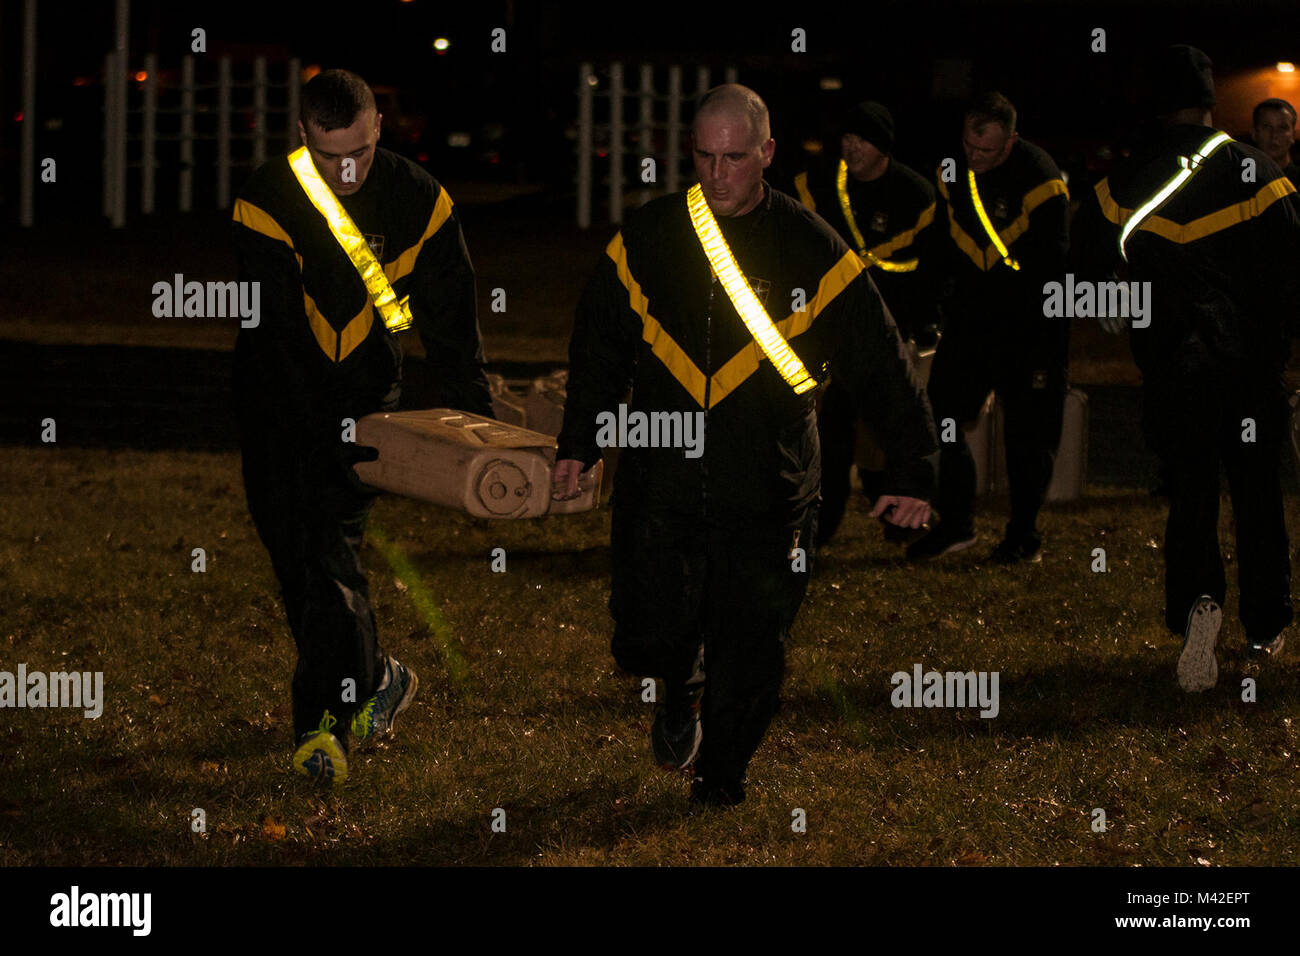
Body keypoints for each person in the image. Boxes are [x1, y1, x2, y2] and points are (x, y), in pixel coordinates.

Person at [552, 84, 937, 807]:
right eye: (704, 155)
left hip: (770, 484)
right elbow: (599, 346)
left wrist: (916, 468)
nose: (718, 173)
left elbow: (881, 362)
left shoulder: (813, 249)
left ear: (766, 153)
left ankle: (721, 774)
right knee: (646, 631)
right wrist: (580, 441)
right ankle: (677, 689)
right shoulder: (647, 237)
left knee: (754, 646)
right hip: (662, 480)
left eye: (735, 157)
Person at [231, 69, 493, 782]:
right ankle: (379, 674)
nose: (345, 172)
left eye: (359, 153)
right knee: (298, 561)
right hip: (277, 403)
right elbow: (273, 336)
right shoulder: (266, 199)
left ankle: (322, 728)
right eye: (327, 157)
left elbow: (452, 325)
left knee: (328, 556)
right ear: (304, 137)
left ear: (380, 126)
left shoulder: (422, 201)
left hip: (366, 405)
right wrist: (309, 434)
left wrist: (480, 430)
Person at [1073, 45, 1300, 690]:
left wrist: (1127, 310)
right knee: (1258, 498)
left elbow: (1086, 281)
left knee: (1192, 497)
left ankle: (1199, 605)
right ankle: (1265, 624)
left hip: (1174, 372)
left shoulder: (1121, 183)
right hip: (1252, 373)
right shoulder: (1260, 172)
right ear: (1209, 101)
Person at [906, 92, 1070, 564]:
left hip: (1029, 328)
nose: (974, 158)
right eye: (968, 147)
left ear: (1012, 140)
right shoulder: (951, 173)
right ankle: (956, 522)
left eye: (987, 150)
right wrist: (928, 306)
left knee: (1027, 434)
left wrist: (1039, 330)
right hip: (971, 321)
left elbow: (1052, 264)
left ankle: (1023, 536)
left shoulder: (1041, 180)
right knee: (944, 417)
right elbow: (938, 243)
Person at [792, 101, 940, 545]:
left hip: (890, 339)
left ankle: (901, 518)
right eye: (848, 138)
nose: (852, 147)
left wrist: (923, 324)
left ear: (884, 147)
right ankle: (821, 529)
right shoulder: (820, 185)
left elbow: (930, 271)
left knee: (891, 432)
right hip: (835, 336)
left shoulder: (915, 194)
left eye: (863, 139)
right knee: (831, 438)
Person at [1252, 97, 1300, 188]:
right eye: (1267, 127)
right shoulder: (1240, 183)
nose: (1274, 135)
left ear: (1293, 135)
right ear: (1254, 133)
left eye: (1282, 128)